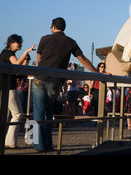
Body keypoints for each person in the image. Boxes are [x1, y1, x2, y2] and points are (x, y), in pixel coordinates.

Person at [33, 17, 101, 152]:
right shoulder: (70, 42)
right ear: (64, 28)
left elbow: (39, 59)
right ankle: (47, 144)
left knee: (38, 113)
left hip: (40, 79)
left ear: (53, 27)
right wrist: (98, 73)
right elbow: (83, 59)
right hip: (56, 82)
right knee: (48, 112)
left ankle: (39, 145)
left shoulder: (44, 39)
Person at [0, 34, 36, 149]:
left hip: (0, 87)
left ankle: (1, 141)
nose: (21, 44)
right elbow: (16, 64)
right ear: (12, 43)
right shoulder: (9, 53)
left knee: (5, 115)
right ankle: (10, 142)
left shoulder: (4, 53)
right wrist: (26, 52)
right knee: (17, 114)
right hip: (7, 87)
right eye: (19, 42)